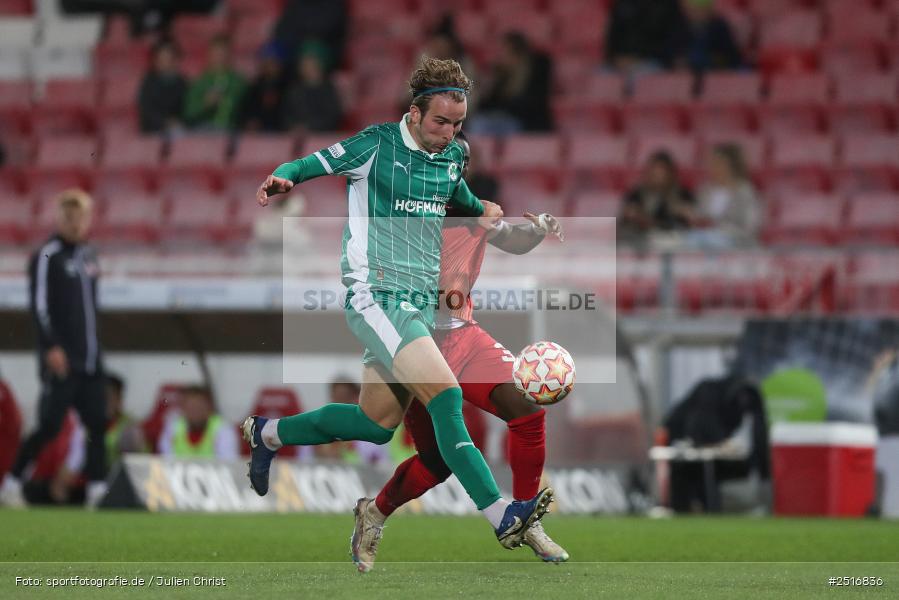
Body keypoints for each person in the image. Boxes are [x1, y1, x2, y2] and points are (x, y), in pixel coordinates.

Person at [244, 57, 554, 565]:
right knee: (447, 396)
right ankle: (500, 513)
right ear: (414, 113)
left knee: (374, 423)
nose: (449, 132)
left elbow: (467, 202)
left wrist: (501, 218)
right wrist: (282, 178)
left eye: (458, 123)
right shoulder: (377, 144)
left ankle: (267, 433)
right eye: (440, 122)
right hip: (377, 294)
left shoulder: (452, 157)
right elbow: (311, 163)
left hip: (415, 305)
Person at [352, 131, 569, 570]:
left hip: (463, 337)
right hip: (413, 342)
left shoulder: (477, 215)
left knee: (528, 411)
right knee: (434, 461)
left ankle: (525, 516)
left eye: (460, 161)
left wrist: (539, 229)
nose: (453, 167)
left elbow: (513, 240)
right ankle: (373, 513)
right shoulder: (401, 211)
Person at [0, 189, 108, 508]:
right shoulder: (47, 255)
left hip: (90, 359)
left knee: (97, 424)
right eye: (69, 217)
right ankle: (12, 481)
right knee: (49, 425)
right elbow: (39, 305)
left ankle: (97, 489)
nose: (75, 224)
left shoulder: (89, 257)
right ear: (59, 219)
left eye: (80, 218)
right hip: (62, 359)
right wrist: (51, 346)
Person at [660, 374, 770, 513]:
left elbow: (759, 431)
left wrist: (763, 470)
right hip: (679, 441)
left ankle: (708, 510)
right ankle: (684, 512)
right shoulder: (708, 392)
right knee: (686, 480)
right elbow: (697, 425)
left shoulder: (746, 398)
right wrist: (720, 442)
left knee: (709, 480)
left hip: (706, 453)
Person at [684, 144, 761, 249]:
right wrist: (693, 217)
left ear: (731, 166)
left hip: (736, 244)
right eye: (712, 163)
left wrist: (719, 227)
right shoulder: (705, 190)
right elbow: (699, 216)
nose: (713, 168)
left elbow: (751, 227)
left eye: (718, 163)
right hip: (703, 242)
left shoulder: (745, 192)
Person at [474, 32, 553, 134]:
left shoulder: (536, 72)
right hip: (502, 120)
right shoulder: (501, 74)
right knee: (478, 123)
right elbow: (486, 107)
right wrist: (488, 89)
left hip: (525, 124)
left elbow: (530, 106)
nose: (501, 57)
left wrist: (504, 106)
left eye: (505, 52)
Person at [618, 150, 695, 246]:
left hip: (674, 245)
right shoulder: (635, 195)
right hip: (641, 245)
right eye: (654, 172)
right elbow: (625, 220)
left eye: (662, 172)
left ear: (671, 174)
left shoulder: (683, 195)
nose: (658, 177)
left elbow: (688, 225)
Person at [183, 34, 246, 131]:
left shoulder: (239, 82)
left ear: (229, 55)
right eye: (216, 53)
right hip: (202, 130)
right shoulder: (200, 82)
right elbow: (189, 113)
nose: (219, 57)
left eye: (223, 53)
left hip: (232, 130)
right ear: (209, 54)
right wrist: (205, 103)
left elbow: (246, 110)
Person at [158, 385, 238, 459]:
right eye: (191, 407)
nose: (195, 412)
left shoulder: (222, 428)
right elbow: (166, 462)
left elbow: (228, 464)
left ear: (209, 408)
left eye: (199, 407)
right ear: (183, 409)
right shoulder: (173, 427)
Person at [281, 42, 343, 133]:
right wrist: (293, 127)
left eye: (309, 61)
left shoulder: (328, 91)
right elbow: (284, 115)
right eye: (303, 61)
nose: (305, 66)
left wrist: (309, 127)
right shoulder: (294, 90)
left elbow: (332, 118)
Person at [668, 0, 743, 73]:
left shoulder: (719, 27)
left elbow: (732, 58)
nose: (698, 14)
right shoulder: (678, 27)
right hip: (683, 76)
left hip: (716, 75)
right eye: (694, 10)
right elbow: (670, 55)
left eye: (701, 10)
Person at [137, 39, 188, 134]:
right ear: (155, 61)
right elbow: (147, 111)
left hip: (179, 126)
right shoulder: (148, 82)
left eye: (169, 58)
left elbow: (186, 108)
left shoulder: (181, 82)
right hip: (154, 130)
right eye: (162, 58)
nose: (165, 62)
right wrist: (166, 122)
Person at [238, 43, 288, 133]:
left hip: (281, 134)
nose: (269, 66)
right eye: (266, 61)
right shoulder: (255, 87)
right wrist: (250, 121)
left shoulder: (287, 86)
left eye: (273, 61)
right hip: (258, 136)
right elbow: (245, 112)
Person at [104, 373, 147, 468]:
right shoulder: (88, 422)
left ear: (119, 399)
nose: (108, 402)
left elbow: (137, 463)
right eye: (104, 398)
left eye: (112, 398)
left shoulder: (129, 427)